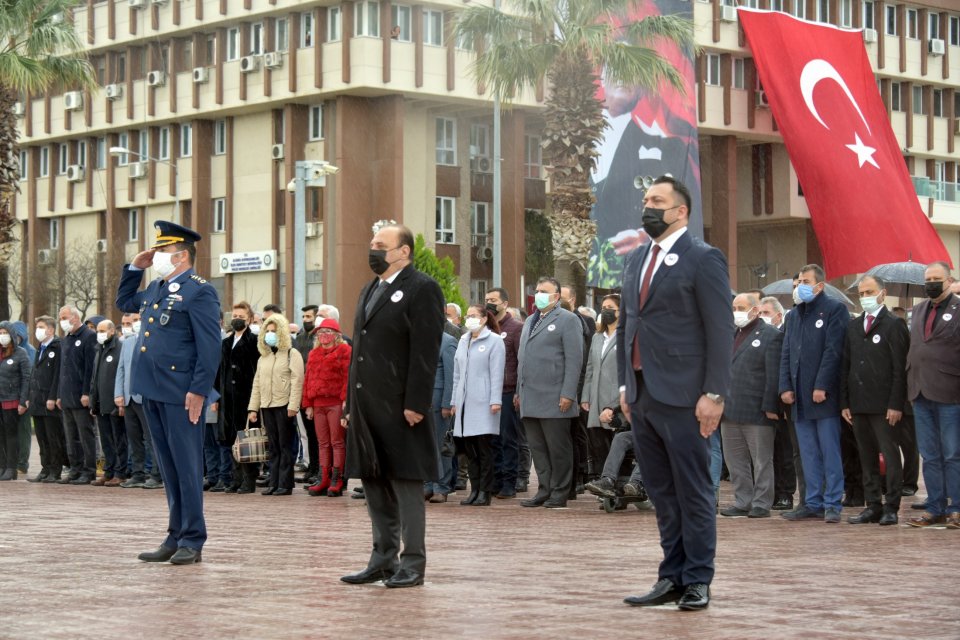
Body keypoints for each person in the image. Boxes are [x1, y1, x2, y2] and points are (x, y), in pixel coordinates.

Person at [618, 175, 732, 611]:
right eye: (645, 199)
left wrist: (714, 393)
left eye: (657, 200)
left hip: (685, 395)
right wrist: (626, 383)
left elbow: (719, 329)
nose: (647, 207)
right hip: (643, 393)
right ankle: (671, 575)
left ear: (681, 211)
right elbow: (629, 324)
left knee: (693, 491)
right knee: (662, 492)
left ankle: (698, 579)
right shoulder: (637, 257)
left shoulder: (703, 258)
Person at [341, 223, 444, 589]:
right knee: (373, 482)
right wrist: (350, 403)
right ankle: (383, 558)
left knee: (405, 485)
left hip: (401, 407)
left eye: (380, 244)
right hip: (367, 407)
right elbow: (360, 351)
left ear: (403, 251)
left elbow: (425, 350)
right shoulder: (370, 288)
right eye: (372, 243)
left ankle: (413, 563)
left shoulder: (422, 288)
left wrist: (416, 402)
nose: (373, 250)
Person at [116, 220, 222, 565]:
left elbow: (209, 347)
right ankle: (175, 535)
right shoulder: (157, 287)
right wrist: (135, 268)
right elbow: (124, 301)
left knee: (187, 467)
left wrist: (199, 390)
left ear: (181, 256)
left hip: (181, 393)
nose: (157, 254)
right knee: (169, 467)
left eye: (163, 249)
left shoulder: (199, 291)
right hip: (152, 388)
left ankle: (193, 538)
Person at [779, 264, 848, 524]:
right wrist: (785, 386)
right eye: (798, 282)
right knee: (808, 453)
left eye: (805, 282)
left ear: (819, 286)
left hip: (823, 397)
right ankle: (813, 502)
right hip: (798, 396)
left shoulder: (834, 309)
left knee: (829, 451)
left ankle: (832, 503)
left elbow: (833, 351)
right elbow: (786, 353)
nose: (799, 287)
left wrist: (822, 385)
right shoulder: (793, 316)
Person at [839, 275, 909, 526]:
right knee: (866, 456)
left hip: (884, 405)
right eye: (861, 293)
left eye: (869, 292)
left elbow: (900, 368)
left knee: (889, 456)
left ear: (882, 293)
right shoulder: (854, 326)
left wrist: (896, 404)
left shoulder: (894, 324)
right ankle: (873, 505)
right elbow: (845, 365)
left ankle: (891, 506)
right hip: (858, 404)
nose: (865, 297)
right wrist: (844, 402)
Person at [515, 276, 584, 509]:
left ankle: (560, 492)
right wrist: (519, 391)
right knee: (539, 449)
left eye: (544, 291)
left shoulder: (568, 319)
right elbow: (522, 358)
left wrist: (568, 394)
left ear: (556, 296)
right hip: (530, 396)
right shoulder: (530, 320)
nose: (538, 295)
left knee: (558, 449)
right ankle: (544, 490)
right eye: (537, 290)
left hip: (555, 397)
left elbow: (574, 360)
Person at [905, 261, 960, 529]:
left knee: (952, 454)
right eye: (927, 279)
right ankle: (935, 507)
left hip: (950, 392)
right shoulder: (918, 310)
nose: (931, 284)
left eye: (936, 279)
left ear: (949, 281)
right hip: (920, 391)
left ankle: (956, 508)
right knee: (929, 454)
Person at [719, 293, 783, 519]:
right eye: (734, 307)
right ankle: (742, 500)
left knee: (761, 460)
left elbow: (773, 374)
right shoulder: (730, 335)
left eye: (741, 307)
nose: (736, 312)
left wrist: (771, 406)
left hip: (757, 410)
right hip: (729, 409)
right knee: (735, 460)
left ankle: (762, 503)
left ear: (755, 310)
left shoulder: (771, 335)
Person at [451, 304, 505, 507]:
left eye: (473, 315)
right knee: (470, 450)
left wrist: (495, 400)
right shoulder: (463, 340)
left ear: (483, 319)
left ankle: (485, 491)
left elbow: (497, 373)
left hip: (483, 402)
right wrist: (454, 401)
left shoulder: (494, 341)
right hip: (464, 403)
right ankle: (474, 490)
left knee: (484, 450)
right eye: (468, 315)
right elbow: (457, 374)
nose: (469, 319)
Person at [247, 313, 304, 497]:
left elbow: (297, 381)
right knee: (272, 446)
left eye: (274, 331)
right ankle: (273, 482)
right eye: (267, 331)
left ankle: (285, 484)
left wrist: (293, 405)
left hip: (284, 405)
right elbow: (257, 384)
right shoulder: (263, 357)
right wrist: (253, 408)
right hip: (267, 405)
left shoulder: (291, 354)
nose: (270, 334)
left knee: (285, 445)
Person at [213, 302, 259, 494]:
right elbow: (219, 372)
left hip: (245, 397)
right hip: (227, 399)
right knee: (231, 438)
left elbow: (257, 371)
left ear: (249, 319)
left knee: (245, 438)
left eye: (241, 316)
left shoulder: (254, 341)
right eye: (235, 316)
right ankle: (236, 478)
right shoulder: (225, 342)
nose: (237, 319)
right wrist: (216, 397)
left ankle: (249, 479)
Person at [485, 287, 527, 497]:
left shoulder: (516, 328)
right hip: (487, 392)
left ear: (505, 304)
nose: (489, 303)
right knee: (492, 439)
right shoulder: (485, 328)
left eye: (494, 300)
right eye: (487, 299)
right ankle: (496, 480)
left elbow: (521, 361)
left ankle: (510, 482)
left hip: (507, 391)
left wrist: (518, 391)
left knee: (508, 439)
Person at [303, 318, 352, 497]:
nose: (324, 335)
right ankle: (324, 478)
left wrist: (346, 401)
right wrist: (308, 404)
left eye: (328, 331)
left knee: (337, 442)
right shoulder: (313, 354)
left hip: (336, 403)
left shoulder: (345, 351)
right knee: (322, 442)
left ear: (336, 334)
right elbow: (308, 379)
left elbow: (348, 378)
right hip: (318, 404)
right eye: (321, 332)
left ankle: (337, 480)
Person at [115, 312, 162, 489]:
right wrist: (118, 393)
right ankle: (138, 473)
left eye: (136, 320)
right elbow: (121, 369)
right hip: (129, 397)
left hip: (146, 397)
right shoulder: (127, 342)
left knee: (151, 438)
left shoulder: (154, 339)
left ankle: (157, 474)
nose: (133, 324)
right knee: (134, 439)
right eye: (130, 321)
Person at [56, 305, 98, 485]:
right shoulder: (67, 339)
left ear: (75, 317)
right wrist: (60, 394)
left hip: (81, 396)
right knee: (71, 436)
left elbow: (90, 367)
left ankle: (89, 471)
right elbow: (63, 369)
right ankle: (75, 469)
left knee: (85, 435)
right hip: (67, 396)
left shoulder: (89, 336)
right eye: (60, 318)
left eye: (64, 317)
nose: (62, 321)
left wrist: (87, 392)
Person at [581, 294, 622, 476]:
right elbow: (590, 368)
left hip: (616, 399)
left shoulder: (626, 336)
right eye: (603, 307)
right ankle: (601, 478)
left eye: (610, 308)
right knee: (597, 443)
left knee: (616, 443)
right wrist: (585, 396)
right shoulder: (598, 337)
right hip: (596, 398)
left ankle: (615, 481)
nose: (605, 311)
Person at [26, 316, 66, 483]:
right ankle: (45, 468)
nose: (38, 330)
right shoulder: (40, 348)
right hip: (37, 399)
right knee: (42, 438)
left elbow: (57, 374)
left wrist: (52, 396)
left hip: (49, 400)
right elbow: (34, 374)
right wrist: (29, 396)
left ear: (51, 329)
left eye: (41, 327)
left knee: (53, 437)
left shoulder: (57, 347)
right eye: (37, 327)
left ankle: (55, 470)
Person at [90, 319, 127, 487]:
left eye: (103, 330)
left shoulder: (119, 348)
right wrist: (93, 401)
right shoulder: (99, 349)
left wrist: (120, 401)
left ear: (112, 331)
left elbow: (122, 375)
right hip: (100, 403)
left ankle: (120, 472)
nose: (100, 334)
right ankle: (109, 471)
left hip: (114, 403)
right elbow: (95, 378)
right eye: (98, 331)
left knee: (118, 439)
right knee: (106, 441)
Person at [426, 330, 457, 503]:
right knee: (425, 446)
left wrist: (447, 403)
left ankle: (442, 487)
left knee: (440, 445)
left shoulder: (448, 341)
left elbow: (451, 375)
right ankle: (428, 484)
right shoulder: (419, 339)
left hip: (438, 403)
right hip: (420, 403)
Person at [0, 322, 31, 480]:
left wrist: (23, 400)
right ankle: (2, 465)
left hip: (12, 400)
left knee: (11, 434)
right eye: (0, 333)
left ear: (12, 335)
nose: (2, 336)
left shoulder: (20, 353)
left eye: (5, 333)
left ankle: (12, 468)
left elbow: (26, 378)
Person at [295, 304, 320, 482]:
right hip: (302, 390)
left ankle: (320, 469)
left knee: (319, 435)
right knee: (308, 433)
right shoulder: (299, 338)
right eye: (304, 317)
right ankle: (312, 466)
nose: (305, 320)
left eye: (309, 317)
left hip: (316, 391)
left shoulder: (320, 337)